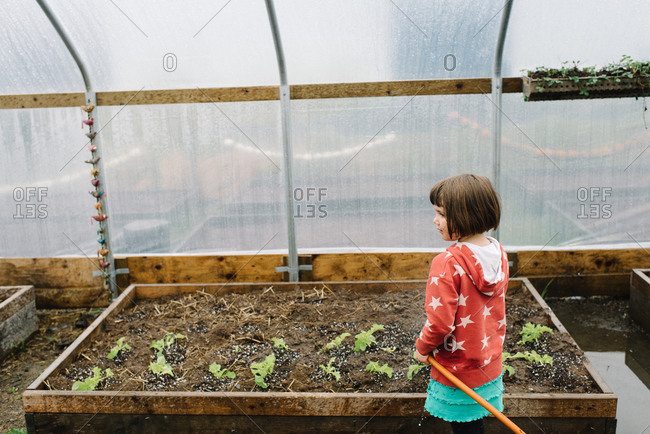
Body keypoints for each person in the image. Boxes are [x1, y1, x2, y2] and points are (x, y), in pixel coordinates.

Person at [414, 174, 509, 434]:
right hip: (488, 359)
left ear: (466, 215)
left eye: (441, 214)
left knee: (465, 428)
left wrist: (422, 347)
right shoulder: (498, 252)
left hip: (459, 366)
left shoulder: (447, 262)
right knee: (473, 424)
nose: (435, 221)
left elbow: (440, 323)